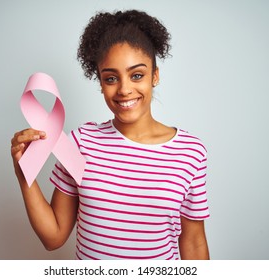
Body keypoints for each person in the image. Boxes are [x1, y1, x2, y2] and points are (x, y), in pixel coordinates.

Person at [11, 9, 210, 260]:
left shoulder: (190, 152)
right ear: (101, 83)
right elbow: (54, 237)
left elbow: (193, 241)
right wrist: (23, 173)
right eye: (111, 78)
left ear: (154, 76)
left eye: (137, 75)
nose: (125, 89)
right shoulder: (80, 143)